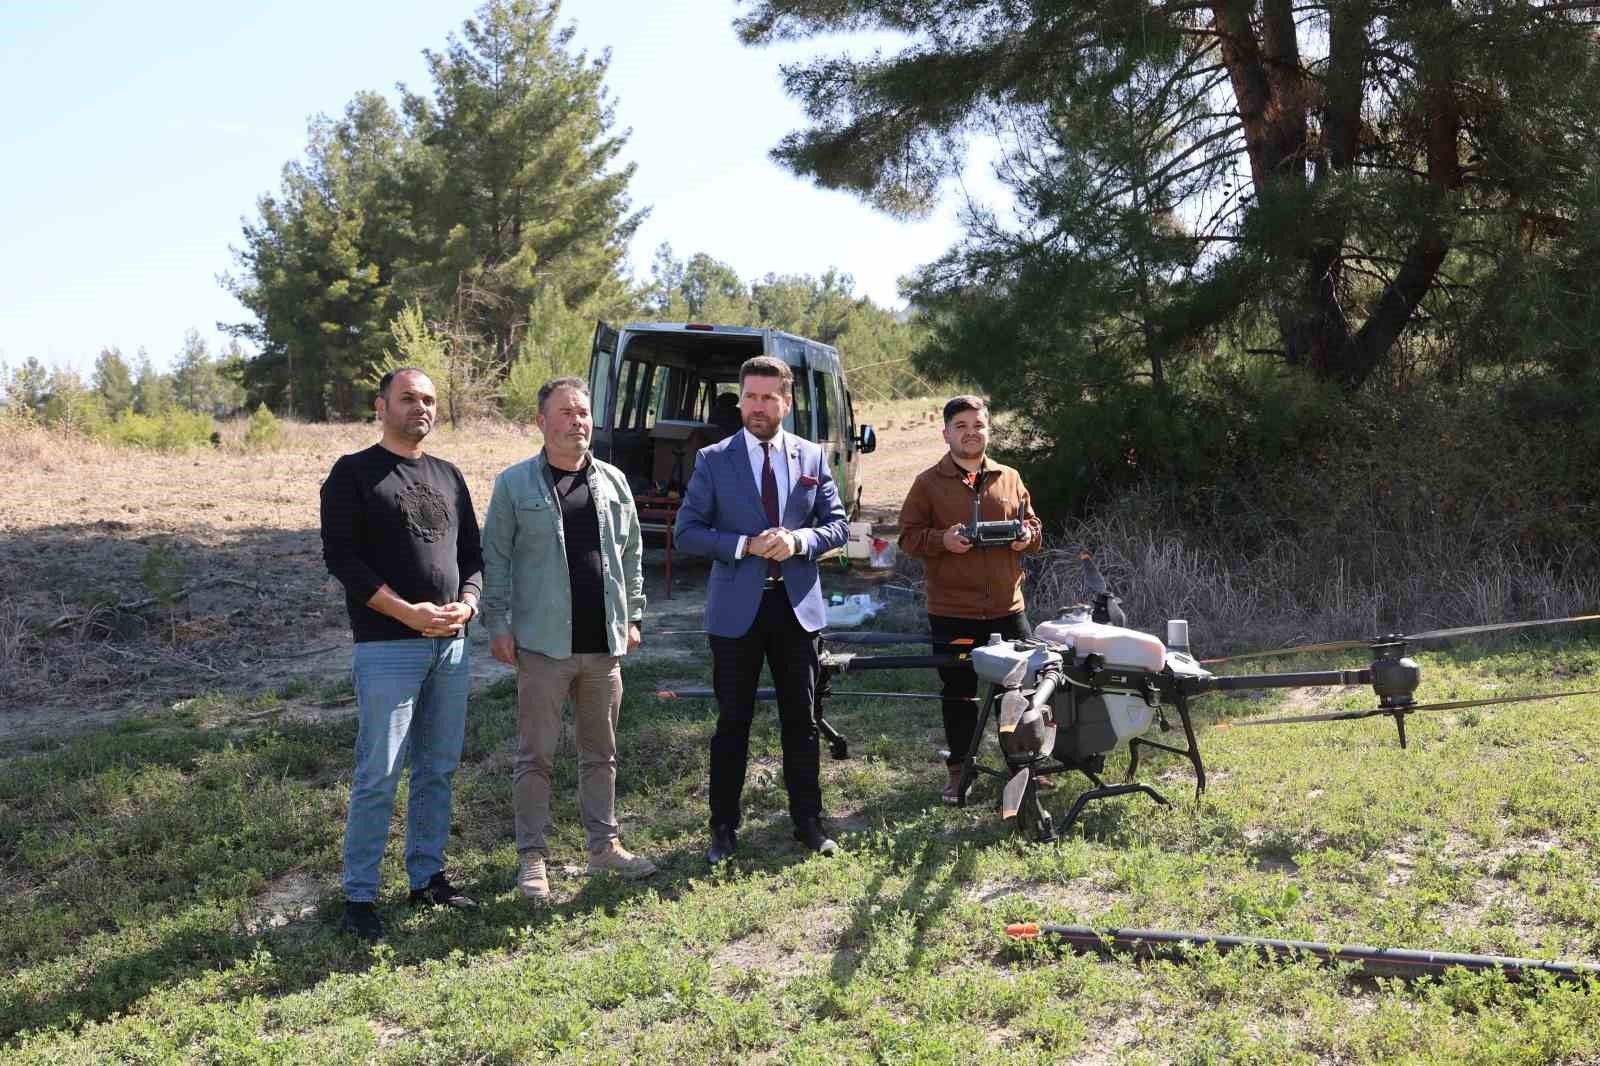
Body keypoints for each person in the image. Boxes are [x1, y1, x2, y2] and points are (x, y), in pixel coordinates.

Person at [320, 367, 483, 941]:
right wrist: (406, 612)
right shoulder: (353, 474)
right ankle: (360, 897)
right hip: (389, 646)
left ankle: (427, 877)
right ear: (381, 406)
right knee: (378, 773)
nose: (421, 407)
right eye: (409, 398)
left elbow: (472, 554)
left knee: (437, 767)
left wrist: (467, 605)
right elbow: (342, 559)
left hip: (451, 646)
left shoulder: (447, 474)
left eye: (430, 399)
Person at [480, 376, 654, 901]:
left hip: (603, 647)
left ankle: (604, 847)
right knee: (535, 756)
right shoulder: (515, 485)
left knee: (601, 753)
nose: (577, 421)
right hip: (542, 647)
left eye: (583, 413)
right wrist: (499, 625)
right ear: (541, 422)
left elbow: (631, 555)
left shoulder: (615, 482)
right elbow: (497, 559)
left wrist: (633, 615)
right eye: (565, 413)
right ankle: (532, 859)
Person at [674, 355, 850, 863]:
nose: (757, 406)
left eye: (768, 397)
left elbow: (837, 526)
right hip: (736, 613)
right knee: (733, 722)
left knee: (804, 720)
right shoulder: (714, 459)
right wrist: (744, 545)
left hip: (796, 611)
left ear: (786, 402)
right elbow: (688, 532)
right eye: (749, 396)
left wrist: (798, 541)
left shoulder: (812, 458)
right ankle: (723, 829)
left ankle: (808, 823)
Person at [898, 395, 1043, 804]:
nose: (970, 433)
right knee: (959, 693)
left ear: (987, 430)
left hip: (1007, 609)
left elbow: (1033, 524)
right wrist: (942, 540)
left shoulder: (1009, 476)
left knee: (1019, 691)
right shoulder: (928, 483)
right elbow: (908, 538)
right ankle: (961, 771)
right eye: (960, 426)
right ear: (946, 433)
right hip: (953, 613)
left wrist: (1027, 536)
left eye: (977, 425)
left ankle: (1022, 768)